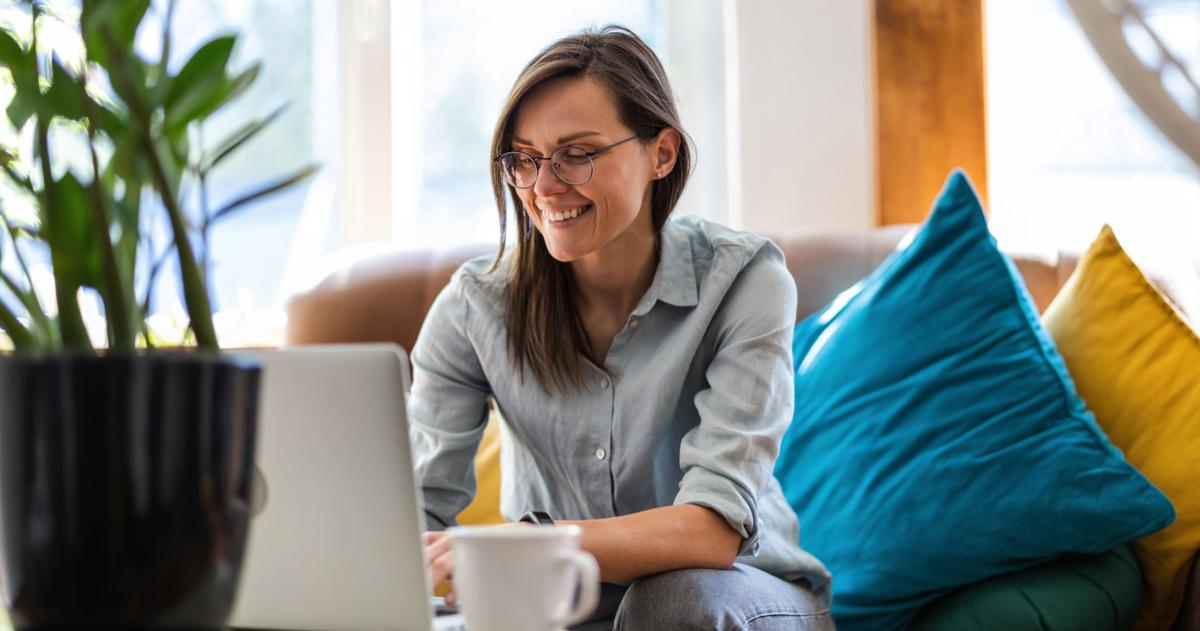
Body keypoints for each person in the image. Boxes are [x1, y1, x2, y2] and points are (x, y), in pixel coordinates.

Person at [412, 25, 833, 630]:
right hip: (559, 610)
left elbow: (712, 529)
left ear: (661, 153)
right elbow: (415, 514)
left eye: (577, 154)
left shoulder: (745, 281)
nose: (545, 187)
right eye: (524, 160)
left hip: (744, 597)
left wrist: (534, 544)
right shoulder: (474, 307)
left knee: (673, 601)